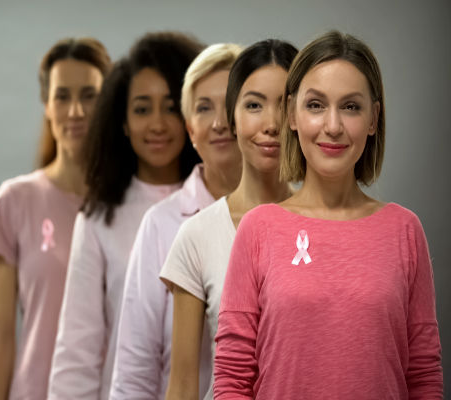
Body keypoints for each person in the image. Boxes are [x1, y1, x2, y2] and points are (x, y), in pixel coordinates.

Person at [214, 31, 443, 399]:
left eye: (351, 106)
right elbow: (231, 378)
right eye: (316, 105)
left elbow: (424, 376)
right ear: (292, 114)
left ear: (373, 119)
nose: (332, 126)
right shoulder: (259, 229)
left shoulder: (405, 230)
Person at [47, 31, 204, 400]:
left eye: (171, 106)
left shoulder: (220, 205)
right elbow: (77, 351)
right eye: (142, 108)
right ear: (122, 121)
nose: (158, 124)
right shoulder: (101, 219)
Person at [159, 39, 298, 400]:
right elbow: (183, 387)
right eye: (253, 105)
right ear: (233, 118)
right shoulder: (197, 235)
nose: (271, 124)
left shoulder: (332, 226)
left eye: (285, 105)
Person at [109, 43, 243, 400]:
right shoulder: (162, 224)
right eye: (204, 108)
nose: (220, 122)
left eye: (233, 103)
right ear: (189, 128)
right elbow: (134, 373)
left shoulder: (300, 215)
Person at [0, 38, 110, 400]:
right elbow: (1, 335)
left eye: (89, 95)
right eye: (62, 96)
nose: (75, 111)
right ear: (47, 105)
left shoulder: (132, 205)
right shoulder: (14, 201)